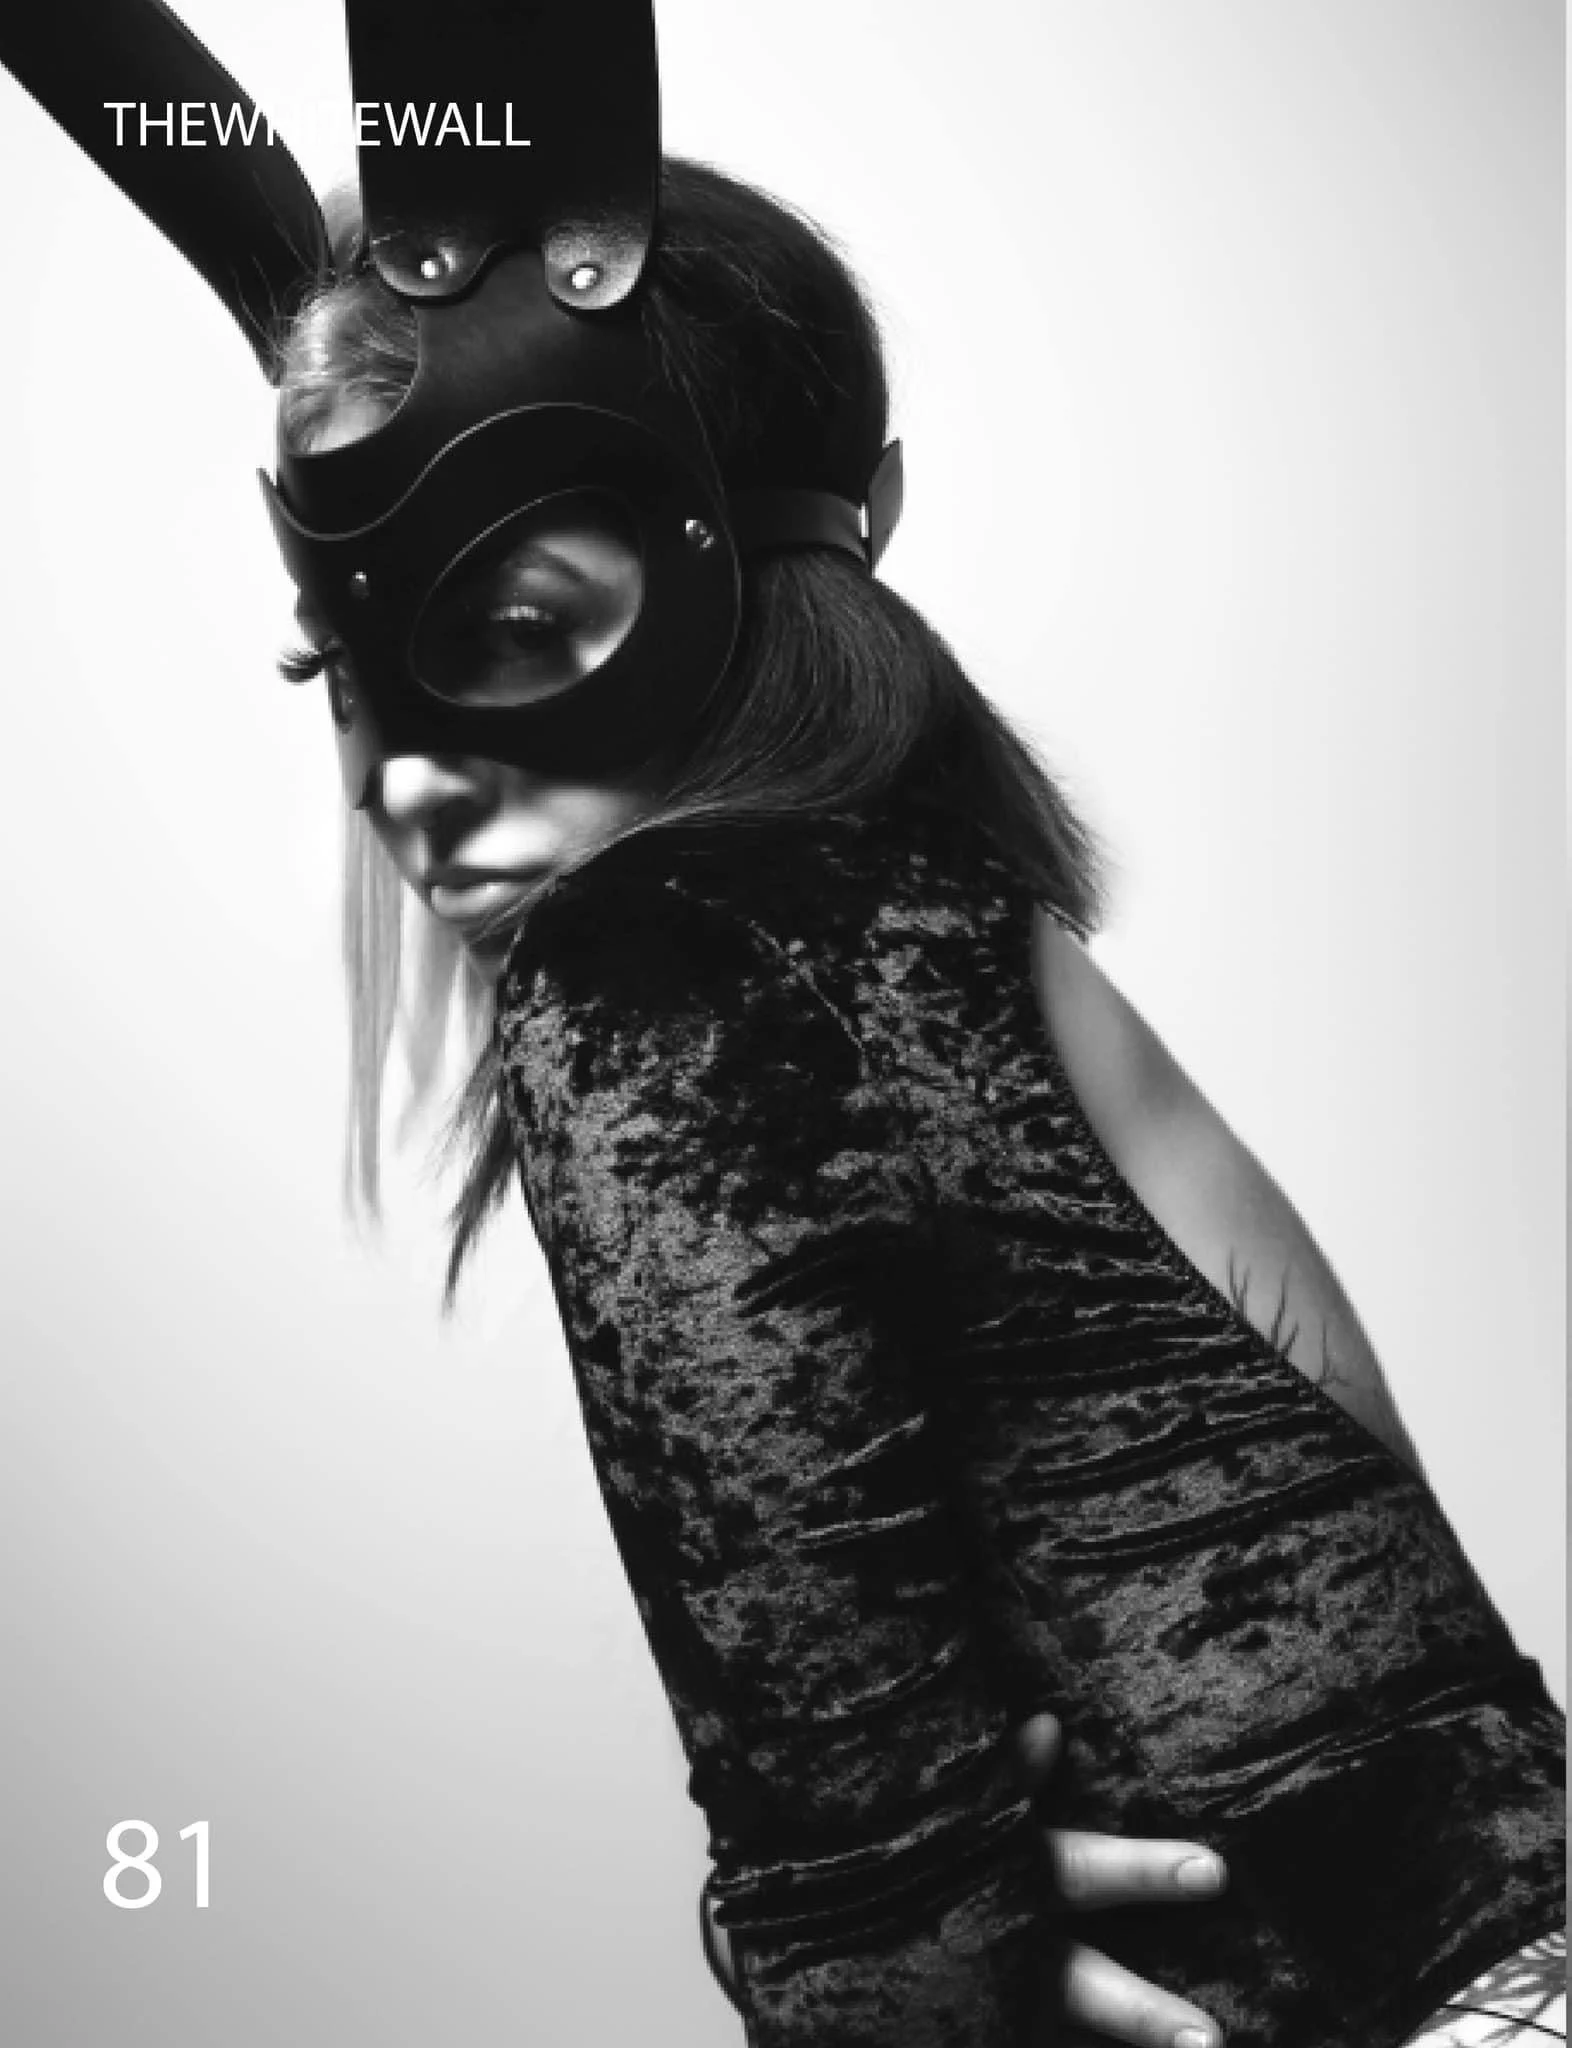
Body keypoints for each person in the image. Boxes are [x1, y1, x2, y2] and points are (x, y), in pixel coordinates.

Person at [2, 6, 1561, 2043]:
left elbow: (881, 1924)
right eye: (342, 674)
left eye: (511, 628)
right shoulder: (981, 940)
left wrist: (863, 1930)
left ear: (769, 565)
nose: (395, 782)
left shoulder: (662, 973)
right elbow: (1410, 1718)